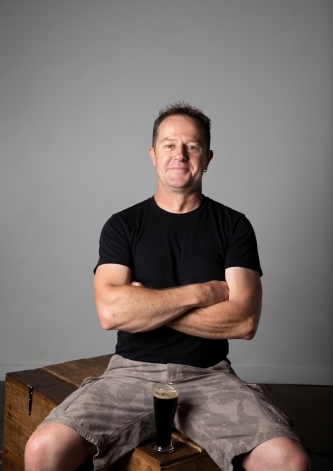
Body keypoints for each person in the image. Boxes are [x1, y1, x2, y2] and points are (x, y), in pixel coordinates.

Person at [25, 103, 310, 471]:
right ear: (153, 154)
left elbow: (243, 322)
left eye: (191, 146)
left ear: (207, 158)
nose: (180, 154)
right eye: (169, 144)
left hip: (208, 376)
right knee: (42, 450)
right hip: (132, 372)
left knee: (290, 460)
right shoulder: (122, 225)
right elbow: (111, 312)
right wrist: (205, 293)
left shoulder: (234, 226)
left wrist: (145, 304)